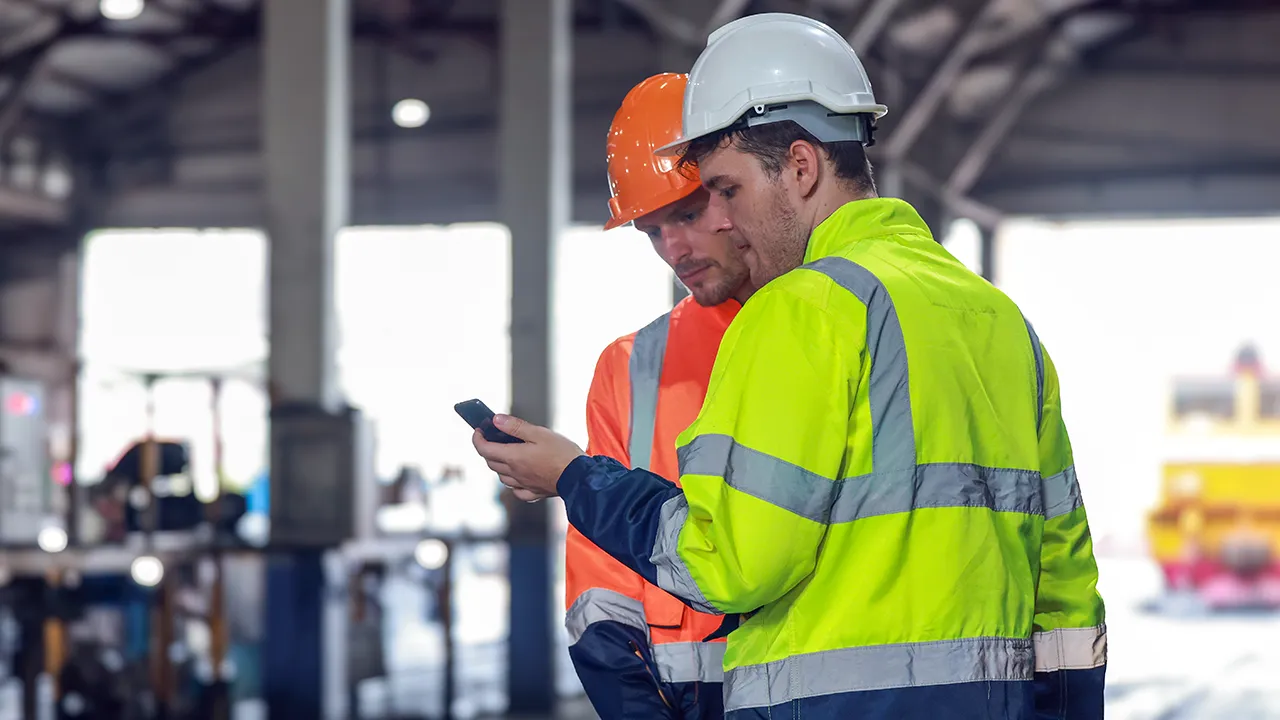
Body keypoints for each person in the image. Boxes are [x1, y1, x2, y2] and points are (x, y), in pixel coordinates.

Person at [474, 13, 1106, 720]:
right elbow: (1066, 587)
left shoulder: (803, 308)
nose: (721, 226)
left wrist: (572, 477)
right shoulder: (998, 318)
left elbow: (730, 564)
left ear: (801, 166)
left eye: (727, 193)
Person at [565, 72, 749, 719]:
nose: (674, 247)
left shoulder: (838, 333)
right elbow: (600, 585)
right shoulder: (630, 367)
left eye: (689, 213)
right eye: (651, 230)